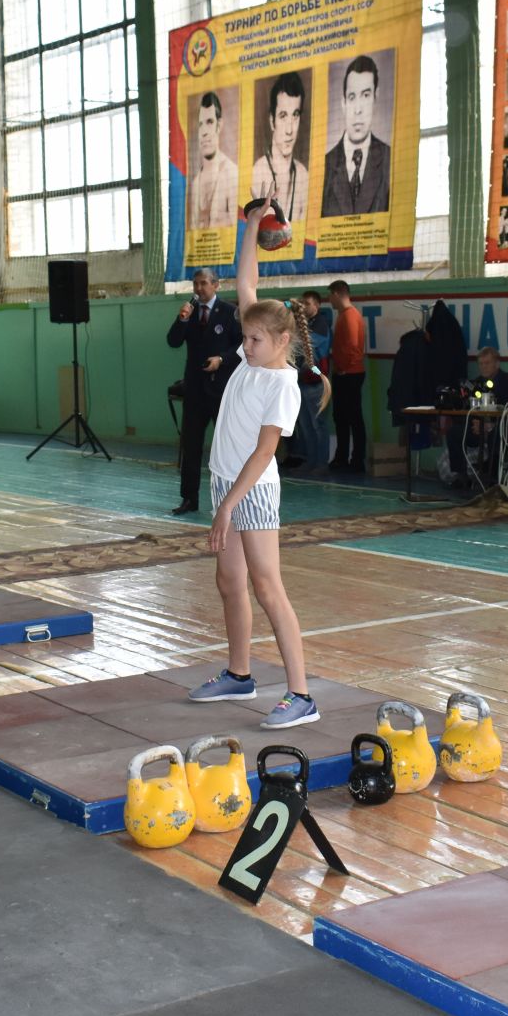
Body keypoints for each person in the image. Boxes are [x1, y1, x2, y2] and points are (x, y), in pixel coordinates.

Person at [187, 202, 317, 729]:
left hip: (252, 491)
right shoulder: (252, 356)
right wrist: (250, 226)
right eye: (245, 337)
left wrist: (228, 508)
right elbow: (247, 280)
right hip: (226, 482)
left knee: (267, 586)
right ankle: (240, 675)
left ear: (283, 342)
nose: (246, 345)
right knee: (229, 580)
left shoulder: (281, 383)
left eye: (255, 340)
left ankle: (302, 695)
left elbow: (265, 453)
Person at [167, 268, 243, 515]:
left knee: (227, 446)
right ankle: (189, 499)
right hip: (194, 390)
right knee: (191, 446)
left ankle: (232, 500)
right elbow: (173, 341)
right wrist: (182, 319)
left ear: (215, 285)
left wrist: (221, 359)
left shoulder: (230, 312)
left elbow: (241, 347)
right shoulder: (189, 312)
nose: (199, 289)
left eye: (203, 284)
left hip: (220, 390)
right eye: (195, 284)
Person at [320, 56, 391, 217]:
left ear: (375, 97)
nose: (358, 110)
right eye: (352, 97)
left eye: (365, 95)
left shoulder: (390, 160)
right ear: (343, 103)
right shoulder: (324, 166)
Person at [445, 347, 508, 488]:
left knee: (495, 433)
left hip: (502, 428)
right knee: (454, 432)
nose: (483, 367)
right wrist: (474, 423)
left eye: (487, 363)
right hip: (478, 428)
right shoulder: (475, 384)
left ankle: (492, 477)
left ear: (497, 364)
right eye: (481, 364)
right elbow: (467, 409)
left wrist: (490, 425)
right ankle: (461, 475)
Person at [249, 71, 309, 223]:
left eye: (295, 115)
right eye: (283, 116)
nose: (289, 130)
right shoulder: (258, 172)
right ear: (272, 121)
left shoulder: (303, 175)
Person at [288, 293, 334, 473]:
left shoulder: (320, 323)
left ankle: (321, 463)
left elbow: (309, 345)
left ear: (317, 305)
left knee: (318, 425)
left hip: (315, 383)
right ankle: (310, 460)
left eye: (307, 303)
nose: (304, 307)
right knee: (305, 425)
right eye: (302, 303)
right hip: (301, 381)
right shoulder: (302, 326)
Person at [327, 279, 367, 473]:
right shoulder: (345, 315)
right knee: (342, 417)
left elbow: (352, 346)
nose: (329, 300)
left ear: (336, 294)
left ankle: (356, 460)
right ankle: (342, 457)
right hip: (346, 373)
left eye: (330, 296)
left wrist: (343, 367)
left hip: (349, 374)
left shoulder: (350, 316)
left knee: (352, 418)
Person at [186, 92, 239, 230]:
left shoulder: (232, 174)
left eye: (209, 122)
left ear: (219, 125)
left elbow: (238, 233)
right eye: (200, 124)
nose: (204, 132)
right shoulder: (195, 184)